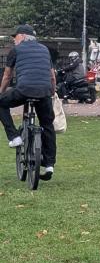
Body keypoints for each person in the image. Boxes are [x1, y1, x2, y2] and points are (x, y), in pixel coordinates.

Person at [0, 25, 57, 180]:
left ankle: (14, 137)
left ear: (23, 36)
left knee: (1, 103)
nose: (14, 40)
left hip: (24, 90)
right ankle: (50, 164)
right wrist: (52, 91)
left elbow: (7, 75)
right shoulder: (45, 50)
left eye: (15, 36)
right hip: (44, 91)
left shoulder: (16, 51)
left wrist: (1, 92)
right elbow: (52, 76)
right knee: (47, 124)